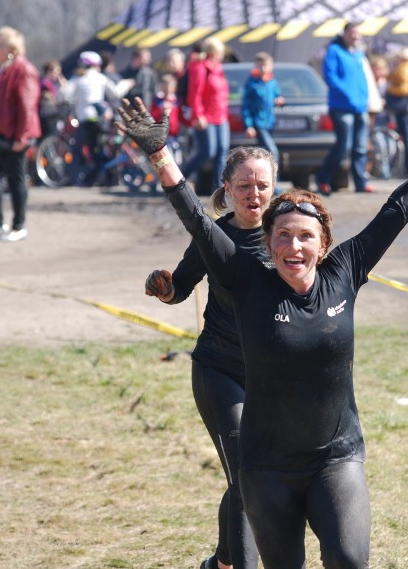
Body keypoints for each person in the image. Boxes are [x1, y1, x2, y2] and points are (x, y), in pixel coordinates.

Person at [117, 93, 408, 568]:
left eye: (305, 236)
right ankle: (226, 562)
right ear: (267, 243)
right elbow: (198, 223)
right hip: (261, 451)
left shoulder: (345, 268)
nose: (293, 246)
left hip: (334, 457)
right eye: (281, 236)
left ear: (324, 242)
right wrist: (161, 158)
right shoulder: (246, 277)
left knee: (348, 560)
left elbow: (398, 209)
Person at [144, 146, 277, 569]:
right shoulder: (214, 235)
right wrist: (163, 285)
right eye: (244, 186)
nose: (253, 194)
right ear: (227, 188)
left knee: (253, 478)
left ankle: (220, 563)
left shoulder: (287, 234)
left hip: (271, 379)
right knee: (247, 478)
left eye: (262, 186)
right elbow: (179, 287)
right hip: (219, 371)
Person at [0, 26, 41, 242]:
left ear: (10, 48)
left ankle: (18, 225)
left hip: (14, 136)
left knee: (16, 179)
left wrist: (22, 138)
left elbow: (26, 105)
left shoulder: (22, 69)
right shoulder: (3, 68)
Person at [315, 21, 373, 195]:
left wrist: (364, 97)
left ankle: (360, 183)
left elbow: (362, 78)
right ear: (345, 33)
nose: (356, 36)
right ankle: (323, 179)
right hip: (341, 106)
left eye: (358, 33)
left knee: (360, 147)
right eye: (353, 32)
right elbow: (330, 77)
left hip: (360, 107)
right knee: (343, 146)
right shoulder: (334, 50)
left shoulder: (357, 53)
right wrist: (348, 94)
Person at [61, 51, 133, 186]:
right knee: (98, 149)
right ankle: (101, 179)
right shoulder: (101, 78)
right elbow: (116, 93)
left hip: (83, 120)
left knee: (79, 150)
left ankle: (76, 180)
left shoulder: (76, 79)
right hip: (99, 120)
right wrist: (126, 84)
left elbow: (64, 96)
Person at [181, 37, 230, 196]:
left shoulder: (218, 69)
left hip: (221, 116)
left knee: (222, 152)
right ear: (213, 52)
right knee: (207, 152)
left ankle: (219, 190)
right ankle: (178, 179)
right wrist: (198, 115)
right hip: (206, 117)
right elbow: (194, 94)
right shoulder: (200, 68)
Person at [241, 52, 285, 191]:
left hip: (270, 122)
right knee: (273, 151)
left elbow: (278, 95)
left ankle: (263, 182)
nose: (263, 69)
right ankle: (273, 183)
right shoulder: (252, 83)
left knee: (263, 155)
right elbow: (246, 106)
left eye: (266, 66)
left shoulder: (272, 82)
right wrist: (248, 125)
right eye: (260, 66)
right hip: (258, 123)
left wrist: (280, 100)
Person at [385, 47, 408, 176]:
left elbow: (405, 89)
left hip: (404, 109)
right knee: (407, 139)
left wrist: (390, 90)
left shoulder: (404, 68)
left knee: (406, 140)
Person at [38, 60, 66, 140]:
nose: (58, 74)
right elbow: (53, 98)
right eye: (56, 71)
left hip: (50, 114)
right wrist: (62, 88)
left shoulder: (49, 83)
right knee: (51, 137)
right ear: (49, 71)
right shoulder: (44, 84)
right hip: (48, 114)